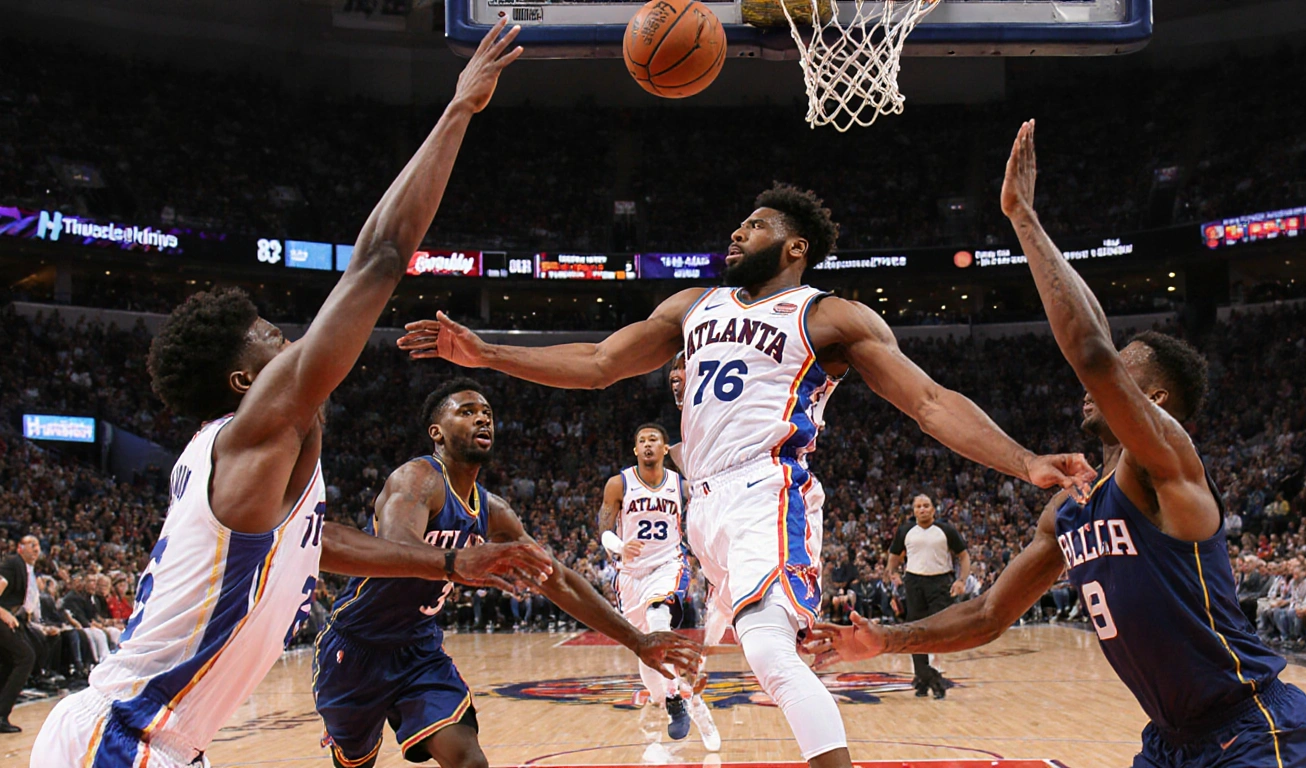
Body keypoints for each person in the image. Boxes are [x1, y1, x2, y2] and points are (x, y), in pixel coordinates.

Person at [398, 177, 1094, 767]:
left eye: (753, 226)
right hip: (703, 510)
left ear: (794, 247)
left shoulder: (830, 316)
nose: (736, 234)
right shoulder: (693, 306)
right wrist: (488, 354)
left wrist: (1023, 460)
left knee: (767, 647)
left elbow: (930, 402)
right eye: (737, 225)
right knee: (767, 648)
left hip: (770, 490)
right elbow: (599, 363)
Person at [32, 22, 554, 767]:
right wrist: (458, 109)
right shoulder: (255, 432)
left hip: (153, 737)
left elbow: (317, 545)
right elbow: (379, 257)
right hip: (127, 739)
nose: (293, 345)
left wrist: (447, 565)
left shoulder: (245, 468)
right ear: (248, 386)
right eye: (272, 343)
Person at [806, 121, 1306, 768]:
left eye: (1126, 375)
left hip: (1251, 729)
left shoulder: (1167, 463)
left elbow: (1092, 353)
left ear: (1155, 402)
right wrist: (883, 641)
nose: (1097, 385)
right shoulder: (1072, 509)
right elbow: (990, 614)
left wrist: (1024, 218)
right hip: (1170, 743)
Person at [314, 381, 700, 768]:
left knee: (470, 761)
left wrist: (637, 640)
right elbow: (397, 545)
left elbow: (558, 579)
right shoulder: (418, 478)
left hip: (419, 650)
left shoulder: (492, 510)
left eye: (487, 413)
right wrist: (454, 562)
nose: (482, 417)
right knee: (355, 763)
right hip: (357, 647)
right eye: (466, 411)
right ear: (437, 432)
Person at [597, 422, 719, 749]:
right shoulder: (618, 483)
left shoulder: (681, 485)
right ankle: (676, 699)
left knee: (658, 621)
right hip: (630, 574)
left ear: (666, 449)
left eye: (654, 439)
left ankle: (678, 698)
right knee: (644, 646)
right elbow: (604, 527)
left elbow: (703, 517)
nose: (648, 444)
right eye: (641, 440)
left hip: (668, 564)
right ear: (635, 450)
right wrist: (618, 545)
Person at [886, 494, 969, 699]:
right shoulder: (905, 530)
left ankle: (925, 677)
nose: (922, 509)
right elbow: (894, 556)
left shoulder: (946, 530)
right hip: (914, 583)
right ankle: (926, 677)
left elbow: (963, 555)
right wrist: (893, 573)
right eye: (918, 506)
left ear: (933, 509)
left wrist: (961, 580)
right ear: (913, 511)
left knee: (936, 632)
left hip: (940, 583)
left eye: (926, 505)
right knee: (915, 632)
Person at [0, 536, 40, 733]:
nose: (36, 549)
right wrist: (3, 612)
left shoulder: (26, 568)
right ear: (20, 547)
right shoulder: (12, 562)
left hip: (15, 621)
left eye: (38, 546)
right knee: (25, 657)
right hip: (2, 618)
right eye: (32, 545)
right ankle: (2, 714)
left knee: (9, 661)